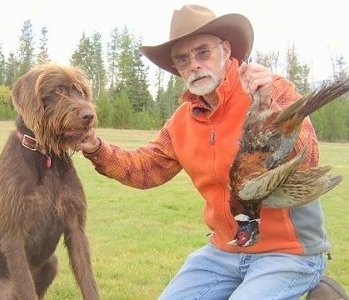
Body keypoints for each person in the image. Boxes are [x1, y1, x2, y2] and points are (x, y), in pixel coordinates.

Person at [78, 4, 348, 300]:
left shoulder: (272, 90)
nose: (193, 64)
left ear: (226, 51)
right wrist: (96, 149)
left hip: (288, 253)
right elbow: (146, 169)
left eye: (202, 52)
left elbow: (309, 160)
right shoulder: (181, 123)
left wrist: (267, 108)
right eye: (183, 59)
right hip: (222, 253)